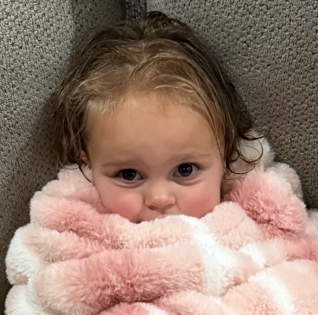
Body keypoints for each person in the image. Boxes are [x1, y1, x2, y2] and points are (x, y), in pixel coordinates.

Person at [50, 11, 262, 223]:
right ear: (87, 163)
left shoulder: (255, 213)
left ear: (225, 153)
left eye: (185, 170)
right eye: (128, 174)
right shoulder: (74, 224)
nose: (160, 199)